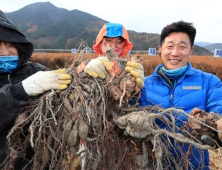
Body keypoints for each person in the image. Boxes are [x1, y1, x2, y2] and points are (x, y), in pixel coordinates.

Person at [118, 21, 222, 169]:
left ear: (191, 51)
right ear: (160, 50)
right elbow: (128, 112)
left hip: (194, 165)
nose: (175, 53)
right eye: (170, 46)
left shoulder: (209, 81)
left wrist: (212, 126)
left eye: (182, 47)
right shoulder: (143, 85)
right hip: (155, 163)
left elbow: (219, 109)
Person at [0, 10, 71, 169]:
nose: (6, 52)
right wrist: (20, 90)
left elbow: (67, 87)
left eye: (11, 44)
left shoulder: (35, 70)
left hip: (42, 161)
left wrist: (85, 73)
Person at [83, 23, 145, 89]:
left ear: (124, 45)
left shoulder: (127, 70)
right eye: (109, 41)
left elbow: (135, 97)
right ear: (100, 42)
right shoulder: (87, 65)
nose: (113, 47)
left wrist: (136, 86)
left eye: (119, 42)